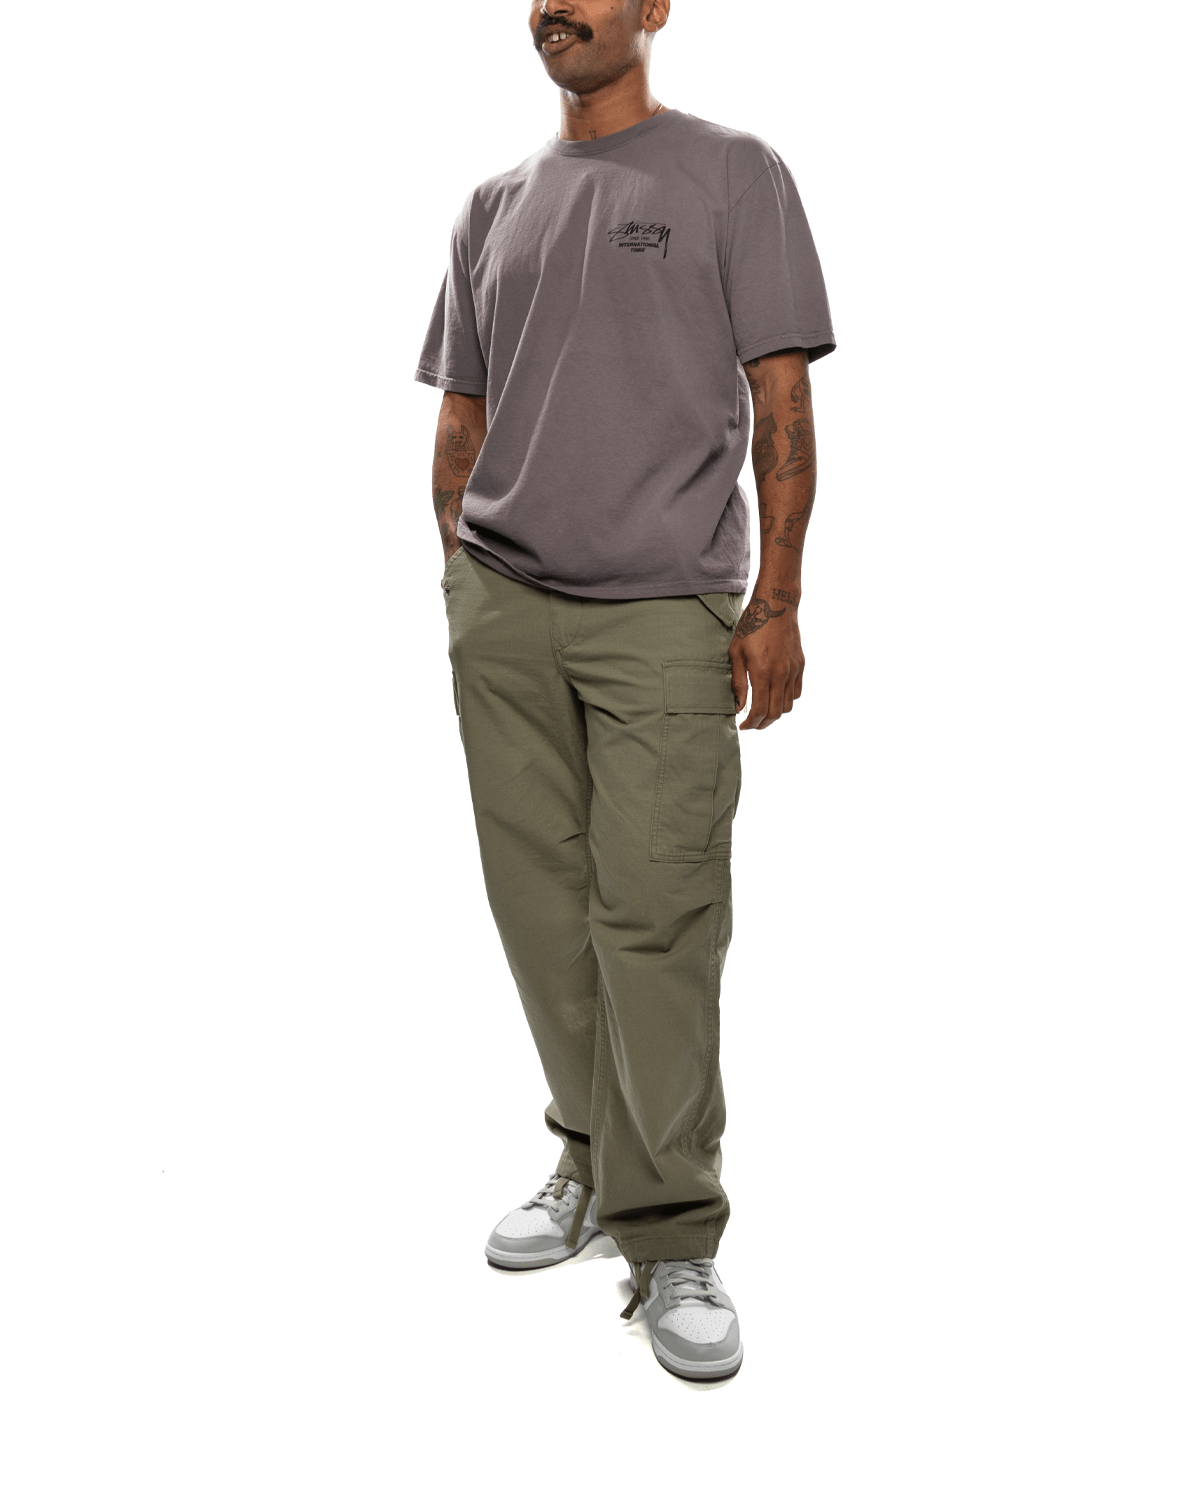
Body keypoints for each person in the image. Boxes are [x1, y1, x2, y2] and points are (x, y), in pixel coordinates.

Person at [415, 0, 833, 1382]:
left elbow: (781, 400)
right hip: (504, 608)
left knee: (657, 919)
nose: (559, 6)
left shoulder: (732, 172)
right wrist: (459, 578)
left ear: (655, 8)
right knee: (542, 913)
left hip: (663, 613)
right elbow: (462, 412)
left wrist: (776, 601)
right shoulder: (493, 205)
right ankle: (591, 1159)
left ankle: (672, 1233)